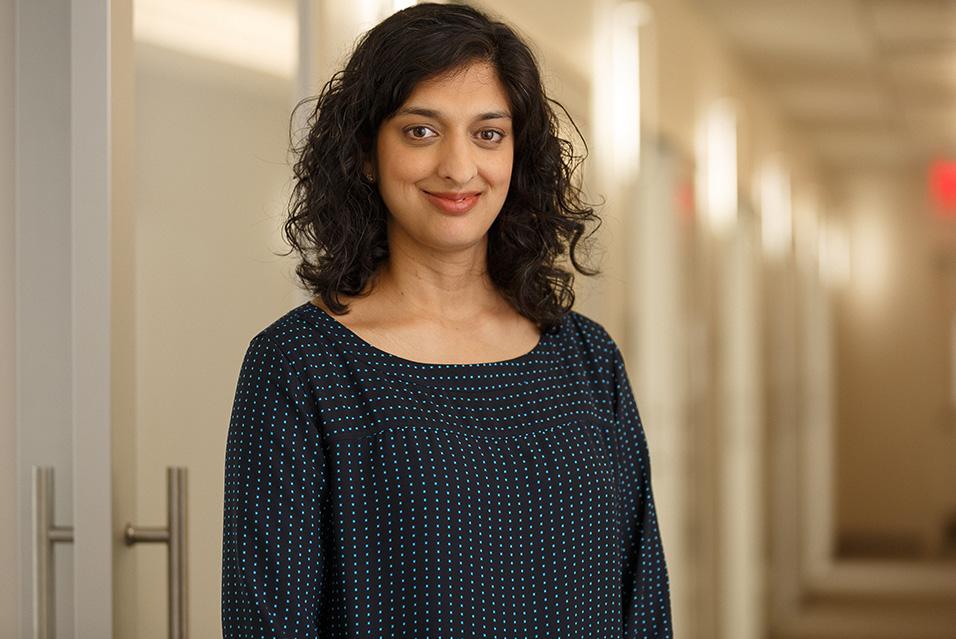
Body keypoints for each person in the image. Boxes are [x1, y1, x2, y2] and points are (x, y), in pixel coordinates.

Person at [221, 3, 672, 637]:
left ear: (518, 155)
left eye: (488, 133)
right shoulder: (299, 368)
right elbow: (267, 623)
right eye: (421, 131)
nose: (459, 168)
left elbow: (641, 602)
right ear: (366, 153)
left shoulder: (587, 358)